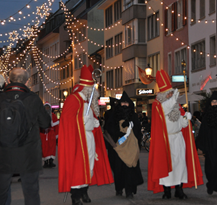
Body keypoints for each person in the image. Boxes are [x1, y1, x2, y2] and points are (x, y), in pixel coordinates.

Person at [0, 68, 51, 205]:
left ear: (9, 80)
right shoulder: (33, 99)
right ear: (27, 81)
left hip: (3, 152)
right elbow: (45, 124)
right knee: (31, 192)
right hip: (28, 152)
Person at [58, 65, 113, 205]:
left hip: (88, 138)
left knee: (89, 164)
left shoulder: (86, 102)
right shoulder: (73, 100)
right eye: (92, 90)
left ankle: (84, 191)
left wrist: (94, 122)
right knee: (78, 166)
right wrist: (84, 121)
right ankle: (75, 195)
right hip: (77, 139)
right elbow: (68, 120)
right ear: (86, 89)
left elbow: (89, 118)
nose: (93, 93)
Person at [148, 70, 203, 199]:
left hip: (178, 138)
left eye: (171, 93)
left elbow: (182, 125)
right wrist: (172, 101)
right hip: (166, 140)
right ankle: (167, 191)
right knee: (167, 164)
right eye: (169, 93)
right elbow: (164, 109)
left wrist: (186, 119)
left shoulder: (176, 106)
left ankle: (179, 189)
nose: (171, 95)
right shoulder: (158, 105)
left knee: (180, 164)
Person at [104, 91, 143, 198]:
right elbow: (109, 129)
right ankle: (119, 188)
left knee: (130, 169)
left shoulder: (133, 116)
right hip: (118, 148)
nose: (125, 105)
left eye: (127, 103)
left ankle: (129, 190)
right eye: (123, 103)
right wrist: (118, 133)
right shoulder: (113, 115)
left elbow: (138, 130)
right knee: (118, 169)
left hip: (131, 147)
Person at [39, 102, 59, 168]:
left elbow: (56, 126)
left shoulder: (53, 115)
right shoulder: (41, 116)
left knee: (52, 147)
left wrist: (56, 134)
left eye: (48, 107)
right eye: (45, 108)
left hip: (51, 134)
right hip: (43, 134)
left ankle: (51, 161)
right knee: (44, 148)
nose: (47, 109)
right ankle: (45, 162)